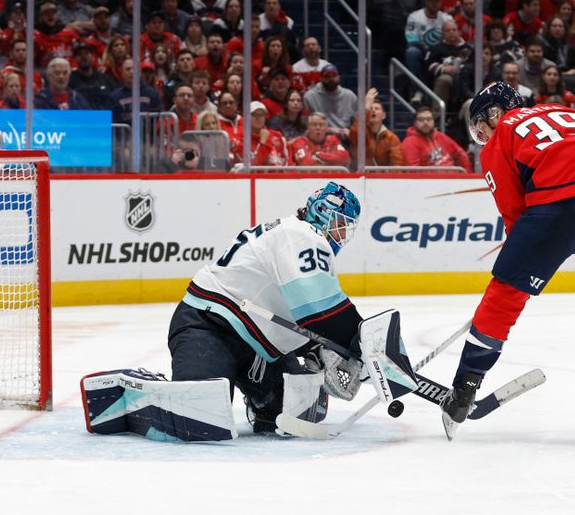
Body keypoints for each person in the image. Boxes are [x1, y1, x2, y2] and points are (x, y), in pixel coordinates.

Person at [443, 81, 575, 440]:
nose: (482, 134)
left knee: (506, 296)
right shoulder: (570, 112)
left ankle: (464, 390)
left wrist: (517, 271)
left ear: (497, 112)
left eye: (482, 124)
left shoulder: (502, 136)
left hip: (557, 208)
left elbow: (514, 212)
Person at [168, 182, 363, 434]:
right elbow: (321, 313)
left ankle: (255, 392)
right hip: (209, 328)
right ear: (324, 213)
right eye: (340, 224)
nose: (342, 234)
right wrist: (360, 343)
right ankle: (132, 391)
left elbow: (295, 309)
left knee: (303, 414)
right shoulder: (301, 236)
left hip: (260, 349)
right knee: (198, 421)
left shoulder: (298, 238)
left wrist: (316, 347)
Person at [349, 88, 405, 167]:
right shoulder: (361, 131)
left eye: (377, 109)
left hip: (383, 177)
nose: (373, 111)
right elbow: (354, 134)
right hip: (361, 175)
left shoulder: (391, 138)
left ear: (384, 115)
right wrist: (366, 107)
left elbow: (397, 163)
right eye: (371, 108)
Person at [401, 106, 471, 170]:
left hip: (453, 177)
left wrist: (467, 174)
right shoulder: (409, 142)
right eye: (421, 119)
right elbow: (414, 170)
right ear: (415, 123)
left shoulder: (440, 136)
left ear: (433, 121)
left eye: (429, 119)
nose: (425, 122)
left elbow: (461, 154)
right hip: (430, 181)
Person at [303, 65, 358, 137]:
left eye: (334, 76)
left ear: (339, 77)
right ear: (321, 78)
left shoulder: (350, 96)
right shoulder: (310, 96)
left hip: (345, 138)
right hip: (319, 137)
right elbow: (306, 125)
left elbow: (357, 122)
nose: (331, 79)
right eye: (327, 77)